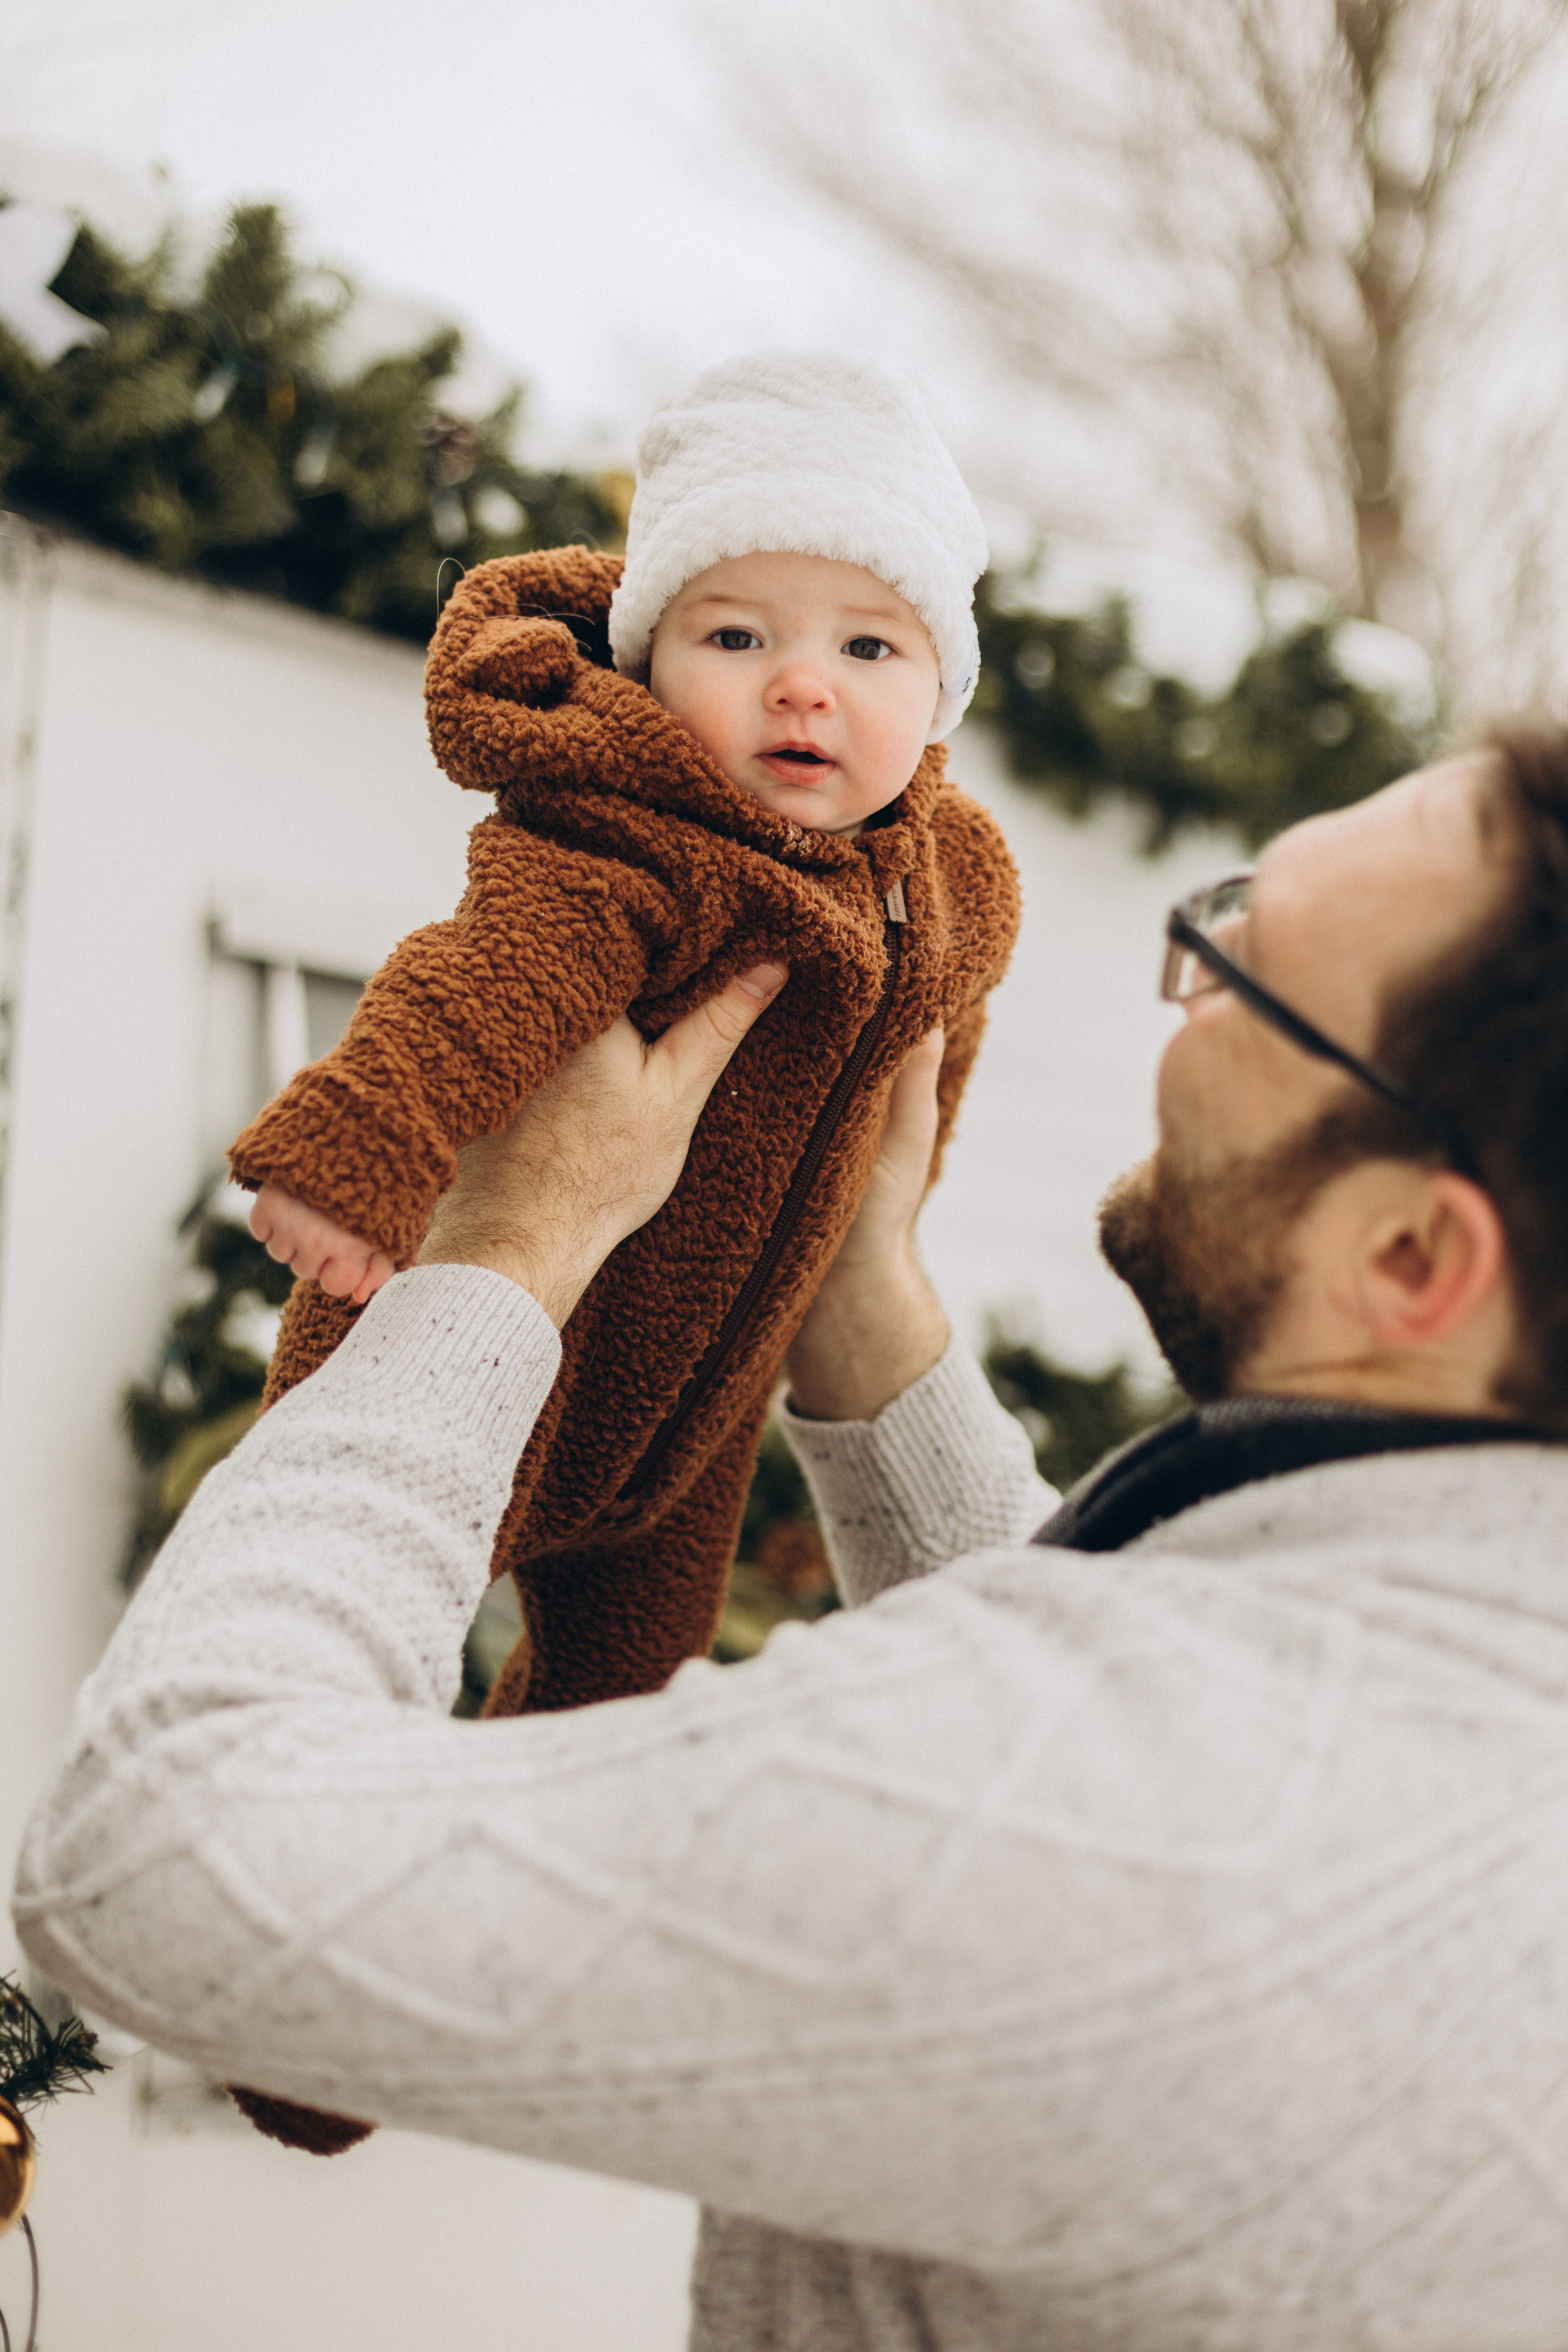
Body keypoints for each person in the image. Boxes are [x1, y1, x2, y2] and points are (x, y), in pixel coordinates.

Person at [17, 725, 1568, 2350]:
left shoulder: (1109, 1822)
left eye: (1247, 974)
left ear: (1411, 1257)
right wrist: (854, 1289)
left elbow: (157, 1855)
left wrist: (511, 1242)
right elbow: (1136, 1755)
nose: (1179, 1003)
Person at [225, 350, 1019, 1772]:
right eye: (735, 637)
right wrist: (361, 1143)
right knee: (325, 1646)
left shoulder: (947, 884)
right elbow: (480, 979)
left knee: (617, 1725)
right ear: (649, 657)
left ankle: (513, 1883)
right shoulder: (628, 835)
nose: (801, 686)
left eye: (868, 649)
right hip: (482, 1334)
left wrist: (892, 1217)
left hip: (698, 1418)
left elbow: (932, 1057)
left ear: (942, 688)